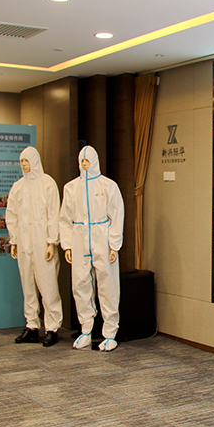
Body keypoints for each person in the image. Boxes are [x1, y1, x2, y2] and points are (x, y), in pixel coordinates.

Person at [59, 146, 125, 351]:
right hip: (79, 238)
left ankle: (110, 333)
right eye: (82, 160)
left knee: (108, 285)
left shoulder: (108, 185)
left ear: (95, 161)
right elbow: (65, 218)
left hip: (101, 237)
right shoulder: (71, 187)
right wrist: (67, 245)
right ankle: (86, 330)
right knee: (80, 284)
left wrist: (114, 244)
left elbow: (117, 215)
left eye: (88, 160)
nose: (85, 164)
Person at [7, 146, 63, 347]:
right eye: (21, 161)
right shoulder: (18, 187)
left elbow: (54, 214)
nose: (23, 165)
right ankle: (31, 325)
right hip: (24, 241)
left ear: (35, 161)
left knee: (47, 284)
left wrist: (52, 242)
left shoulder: (47, 183)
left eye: (27, 161)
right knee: (27, 284)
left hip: (42, 240)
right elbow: (12, 214)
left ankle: (52, 327)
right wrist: (14, 241)